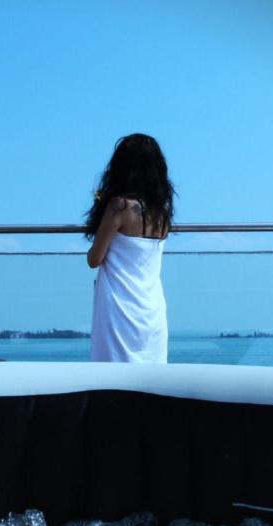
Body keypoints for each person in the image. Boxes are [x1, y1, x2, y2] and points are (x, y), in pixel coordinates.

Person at [85, 133, 175, 363]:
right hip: (152, 310)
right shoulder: (161, 214)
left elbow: (94, 259)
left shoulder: (120, 206)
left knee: (112, 386)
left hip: (119, 308)